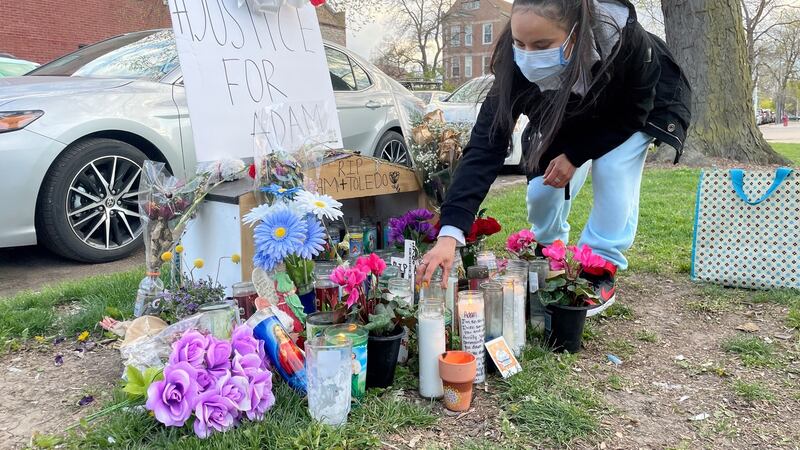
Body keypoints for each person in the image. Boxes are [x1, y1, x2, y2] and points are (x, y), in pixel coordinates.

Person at [417, 0, 691, 315]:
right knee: (543, 186)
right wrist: (451, 232)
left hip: (634, 108)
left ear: (576, 31)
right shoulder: (516, 63)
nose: (529, 56)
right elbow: (485, 148)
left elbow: (632, 113)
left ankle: (600, 264)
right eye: (520, 43)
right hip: (568, 110)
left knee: (613, 168)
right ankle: (549, 248)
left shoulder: (623, 41)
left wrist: (576, 155)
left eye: (542, 45)